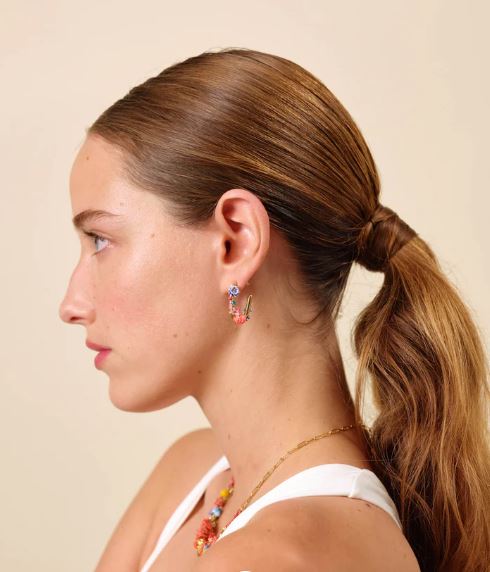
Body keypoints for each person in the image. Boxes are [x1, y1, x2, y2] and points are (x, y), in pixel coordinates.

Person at [58, 47, 490, 572]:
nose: (72, 303)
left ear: (235, 242)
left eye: (101, 240)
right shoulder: (189, 476)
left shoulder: (288, 557)